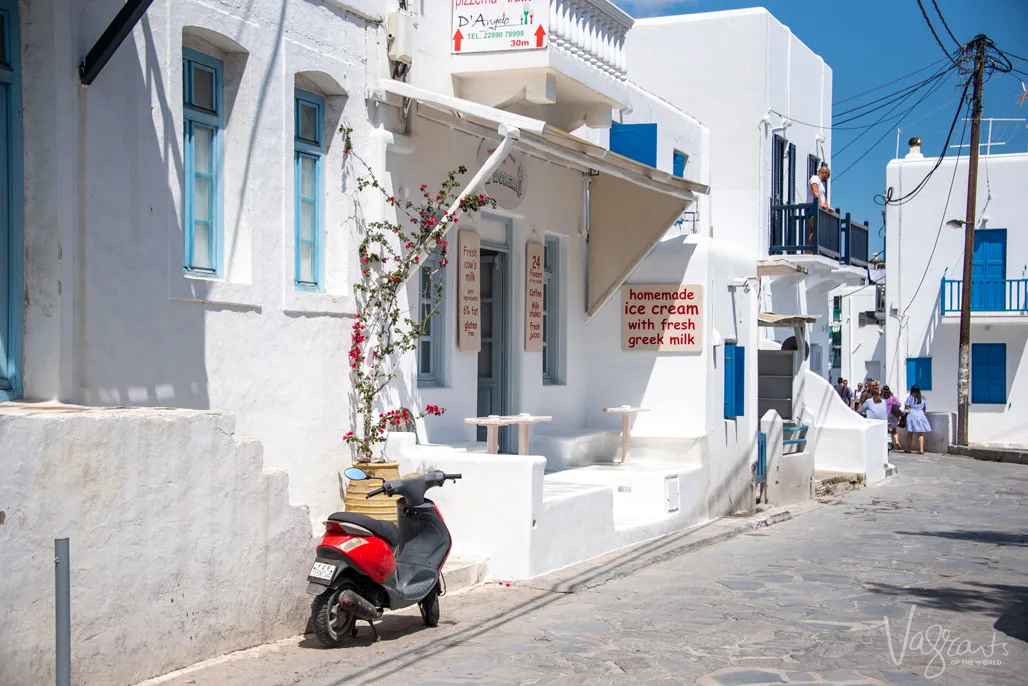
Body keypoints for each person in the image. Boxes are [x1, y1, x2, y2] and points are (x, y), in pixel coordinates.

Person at [807, 164, 831, 247]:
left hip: (818, 209)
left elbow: (823, 196)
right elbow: (814, 191)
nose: (828, 178)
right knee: (815, 228)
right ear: (824, 173)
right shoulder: (815, 178)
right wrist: (820, 203)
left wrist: (827, 206)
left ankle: (809, 250)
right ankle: (809, 250)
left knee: (814, 230)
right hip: (812, 208)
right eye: (828, 176)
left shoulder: (821, 184)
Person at [904, 385, 931, 454]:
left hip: (912, 414)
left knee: (910, 434)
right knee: (920, 434)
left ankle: (909, 448)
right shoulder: (923, 398)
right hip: (921, 415)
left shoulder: (910, 398)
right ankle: (921, 449)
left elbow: (906, 407)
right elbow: (924, 408)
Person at [882, 385, 902, 450]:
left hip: (886, 416)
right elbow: (899, 404)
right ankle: (896, 441)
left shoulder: (882, 399)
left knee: (886, 430)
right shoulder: (893, 397)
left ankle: (888, 443)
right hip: (893, 415)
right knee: (894, 430)